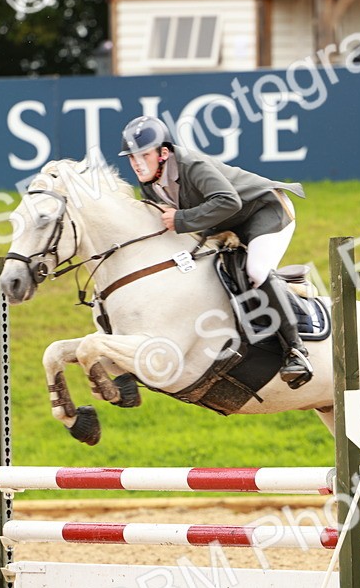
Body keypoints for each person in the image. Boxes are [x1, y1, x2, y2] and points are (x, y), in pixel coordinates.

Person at [118, 115, 314, 388]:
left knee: (256, 271)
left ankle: (296, 351)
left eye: (144, 155)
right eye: (132, 157)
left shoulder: (191, 165)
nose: (137, 164)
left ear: (163, 153)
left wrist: (181, 219)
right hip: (227, 224)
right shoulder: (150, 183)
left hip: (267, 211)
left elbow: (228, 201)